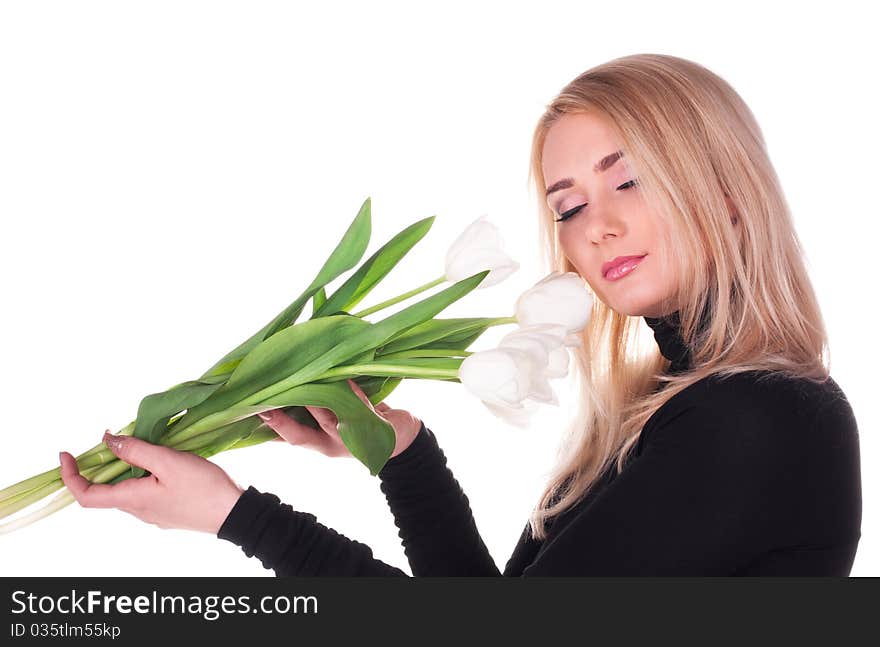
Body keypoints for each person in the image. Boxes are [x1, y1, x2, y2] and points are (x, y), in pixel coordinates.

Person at [59, 53, 862, 576]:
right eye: (569, 205)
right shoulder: (680, 407)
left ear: (723, 192)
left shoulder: (760, 418)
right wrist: (403, 454)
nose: (597, 226)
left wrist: (236, 514)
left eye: (629, 180)